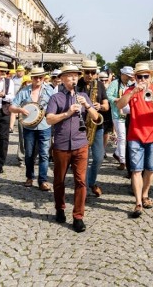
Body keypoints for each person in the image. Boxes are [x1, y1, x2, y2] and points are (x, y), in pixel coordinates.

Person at [46, 64, 100, 233]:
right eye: (69, 76)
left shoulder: (83, 95)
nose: (73, 79)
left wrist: (88, 106)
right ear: (62, 79)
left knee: (80, 181)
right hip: (61, 145)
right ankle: (60, 208)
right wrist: (67, 113)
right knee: (59, 181)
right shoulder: (56, 98)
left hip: (80, 144)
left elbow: (97, 118)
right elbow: (49, 119)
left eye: (75, 76)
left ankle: (78, 216)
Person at [116, 62, 153, 218]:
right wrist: (132, 93)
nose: (143, 79)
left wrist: (152, 99)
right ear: (135, 77)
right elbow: (119, 105)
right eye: (140, 76)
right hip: (135, 136)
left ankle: (145, 194)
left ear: (150, 77)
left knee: (151, 168)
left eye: (145, 76)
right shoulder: (130, 89)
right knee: (136, 170)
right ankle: (138, 202)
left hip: (152, 136)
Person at [10, 67, 55, 191]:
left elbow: (56, 104)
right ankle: (29, 176)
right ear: (32, 78)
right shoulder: (24, 91)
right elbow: (11, 107)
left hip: (45, 126)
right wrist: (20, 109)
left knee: (44, 154)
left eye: (41, 77)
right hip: (29, 127)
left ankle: (43, 180)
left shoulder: (49, 90)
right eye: (36, 77)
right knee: (29, 154)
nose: (38, 79)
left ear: (44, 77)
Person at [77, 60, 109, 198]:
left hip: (96, 125)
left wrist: (100, 107)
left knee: (99, 157)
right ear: (83, 71)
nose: (90, 75)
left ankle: (91, 181)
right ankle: (82, 186)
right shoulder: (77, 85)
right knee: (82, 159)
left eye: (93, 72)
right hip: (80, 125)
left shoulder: (100, 85)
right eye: (87, 72)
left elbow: (107, 105)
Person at [107, 66, 134, 172]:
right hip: (117, 114)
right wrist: (118, 99)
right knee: (122, 137)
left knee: (126, 137)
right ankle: (123, 161)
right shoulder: (115, 83)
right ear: (122, 74)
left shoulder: (130, 85)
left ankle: (118, 154)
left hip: (128, 115)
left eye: (129, 76)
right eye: (127, 76)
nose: (128, 78)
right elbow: (108, 95)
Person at [97, 71, 113, 158]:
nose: (103, 82)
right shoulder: (96, 86)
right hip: (97, 112)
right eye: (101, 80)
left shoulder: (110, 87)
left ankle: (103, 149)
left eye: (105, 80)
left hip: (107, 112)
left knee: (106, 132)